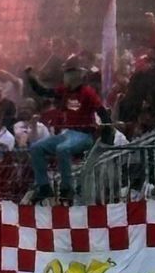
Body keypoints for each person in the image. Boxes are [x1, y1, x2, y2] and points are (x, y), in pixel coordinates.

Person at [25, 58, 108, 203]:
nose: (65, 77)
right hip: (68, 133)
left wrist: (109, 128)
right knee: (36, 148)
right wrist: (32, 79)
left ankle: (66, 188)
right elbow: (44, 91)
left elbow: (101, 111)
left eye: (68, 73)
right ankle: (44, 186)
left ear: (76, 75)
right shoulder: (64, 90)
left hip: (84, 135)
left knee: (62, 149)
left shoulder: (87, 92)